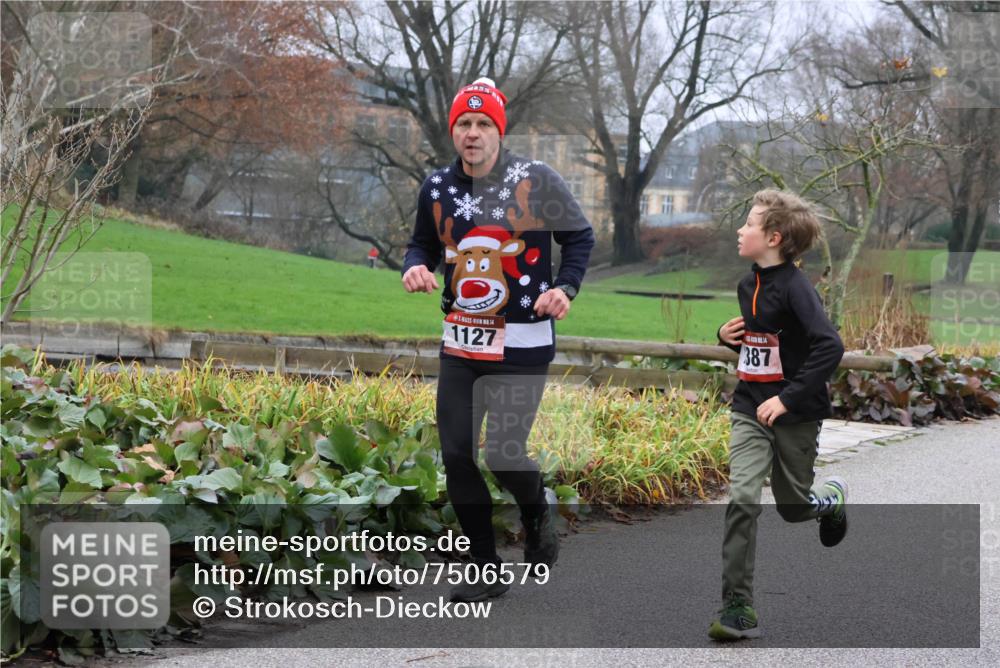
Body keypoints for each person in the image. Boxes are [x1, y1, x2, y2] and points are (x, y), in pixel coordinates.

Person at [401, 77, 594, 603]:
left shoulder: (535, 181)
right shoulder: (437, 189)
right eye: (464, 123)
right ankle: (485, 567)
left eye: (483, 123)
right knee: (458, 454)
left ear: (499, 132)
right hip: (462, 343)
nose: (473, 132)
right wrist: (414, 267)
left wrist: (565, 288)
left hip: (523, 343)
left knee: (506, 456)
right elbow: (420, 243)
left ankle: (536, 509)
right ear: (453, 131)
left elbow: (579, 237)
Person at [709, 189, 847, 641]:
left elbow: (830, 346)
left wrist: (786, 399)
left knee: (793, 507)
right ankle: (737, 606)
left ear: (772, 237)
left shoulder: (797, 288)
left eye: (747, 223)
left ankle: (828, 502)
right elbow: (765, 343)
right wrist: (729, 338)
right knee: (742, 498)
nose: (739, 229)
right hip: (750, 407)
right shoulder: (748, 283)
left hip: (795, 413)